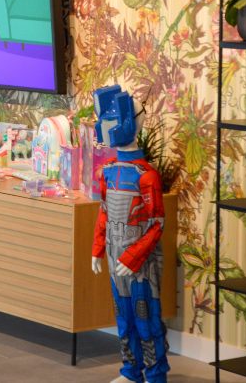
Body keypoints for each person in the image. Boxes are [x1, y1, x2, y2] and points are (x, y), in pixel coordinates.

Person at [91, 85, 169, 383]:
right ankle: (130, 371)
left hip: (141, 263)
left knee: (146, 317)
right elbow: (104, 212)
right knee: (123, 317)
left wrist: (135, 257)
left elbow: (156, 224)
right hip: (115, 256)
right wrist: (97, 249)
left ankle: (156, 374)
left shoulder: (146, 176)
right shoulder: (109, 171)